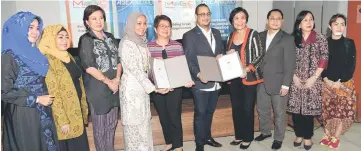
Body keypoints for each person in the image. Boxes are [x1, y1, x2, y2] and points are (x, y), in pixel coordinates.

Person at [1, 11, 58, 151]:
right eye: (30, 27)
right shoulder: (9, 57)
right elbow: (4, 91)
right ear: (17, 28)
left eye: (37, 28)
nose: (35, 32)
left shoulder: (37, 54)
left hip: (43, 112)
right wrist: (37, 99)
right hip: (22, 114)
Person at [118, 12, 170, 151]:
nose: (142, 27)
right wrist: (154, 88)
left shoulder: (143, 43)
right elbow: (136, 71)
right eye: (139, 23)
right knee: (133, 129)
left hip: (143, 90)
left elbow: (147, 66)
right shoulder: (127, 44)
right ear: (131, 24)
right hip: (131, 92)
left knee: (144, 126)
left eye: (145, 23)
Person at [39, 25, 90, 151]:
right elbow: (53, 93)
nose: (65, 40)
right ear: (50, 39)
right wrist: (63, 121)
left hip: (75, 112)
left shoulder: (68, 56)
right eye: (60, 37)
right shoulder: (48, 60)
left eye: (67, 37)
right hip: (65, 117)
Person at [148, 15, 194, 151]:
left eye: (168, 26)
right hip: (158, 89)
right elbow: (147, 70)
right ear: (156, 29)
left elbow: (182, 67)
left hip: (175, 88)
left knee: (174, 116)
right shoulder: (148, 48)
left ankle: (178, 146)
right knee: (163, 116)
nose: (166, 29)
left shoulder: (177, 46)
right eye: (162, 26)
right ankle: (169, 143)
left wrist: (185, 80)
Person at [78, 5, 121, 151]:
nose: (98, 21)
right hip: (98, 89)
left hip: (114, 87)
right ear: (87, 22)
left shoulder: (110, 37)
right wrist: (108, 81)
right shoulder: (86, 39)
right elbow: (88, 66)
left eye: (101, 18)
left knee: (111, 126)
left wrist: (117, 79)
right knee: (100, 129)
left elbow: (118, 61)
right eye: (94, 18)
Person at [183, 4, 225, 151]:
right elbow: (189, 60)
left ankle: (207, 137)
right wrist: (198, 74)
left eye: (208, 14)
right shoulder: (189, 36)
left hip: (216, 81)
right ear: (196, 17)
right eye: (202, 14)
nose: (205, 17)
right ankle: (199, 143)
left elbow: (219, 54)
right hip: (201, 81)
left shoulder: (217, 33)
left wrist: (223, 57)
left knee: (209, 112)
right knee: (200, 113)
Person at [255, 9, 296, 150]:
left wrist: (286, 85)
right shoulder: (259, 36)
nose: (275, 21)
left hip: (279, 82)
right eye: (272, 18)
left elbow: (290, 64)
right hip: (260, 81)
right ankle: (265, 132)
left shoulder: (287, 38)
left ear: (282, 21)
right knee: (262, 109)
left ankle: (278, 138)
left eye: (278, 18)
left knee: (279, 112)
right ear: (267, 21)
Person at [288, 10, 329, 150]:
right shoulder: (292, 39)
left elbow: (324, 58)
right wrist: (293, 77)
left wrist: (314, 78)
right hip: (295, 79)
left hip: (314, 80)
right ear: (299, 24)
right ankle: (298, 134)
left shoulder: (320, 38)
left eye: (311, 19)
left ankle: (307, 137)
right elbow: (287, 60)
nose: (309, 22)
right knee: (297, 111)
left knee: (309, 112)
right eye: (305, 20)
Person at [225, 7, 264, 150]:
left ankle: (248, 137)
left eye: (242, 17)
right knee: (237, 108)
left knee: (248, 108)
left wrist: (247, 68)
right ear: (232, 21)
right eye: (236, 18)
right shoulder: (230, 36)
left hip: (249, 77)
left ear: (246, 19)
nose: (240, 21)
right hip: (234, 78)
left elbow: (260, 55)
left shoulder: (253, 34)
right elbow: (228, 55)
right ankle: (239, 135)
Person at [319, 14, 357, 149]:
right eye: (336, 23)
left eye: (342, 24)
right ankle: (327, 134)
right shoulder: (323, 43)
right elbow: (320, 64)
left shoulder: (349, 43)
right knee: (328, 111)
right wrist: (325, 78)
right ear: (330, 26)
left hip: (344, 84)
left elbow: (351, 65)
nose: (339, 27)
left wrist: (340, 81)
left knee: (342, 112)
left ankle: (336, 137)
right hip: (326, 83)